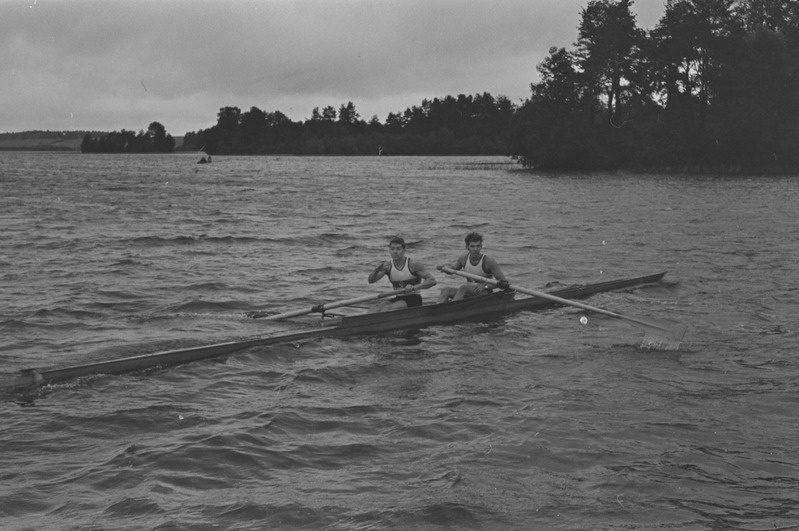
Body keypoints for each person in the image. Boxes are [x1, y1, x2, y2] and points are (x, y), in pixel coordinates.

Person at [436, 231, 510, 303]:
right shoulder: (463, 258)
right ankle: (437, 310)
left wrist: (485, 286)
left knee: (463, 288)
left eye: (478, 246)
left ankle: (451, 310)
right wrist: (444, 268)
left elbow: (503, 282)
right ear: (467, 247)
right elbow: (453, 270)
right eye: (472, 246)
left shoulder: (488, 261)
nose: (475, 249)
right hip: (468, 293)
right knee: (446, 290)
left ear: (481, 246)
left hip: (483, 293)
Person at [368, 236, 437, 312]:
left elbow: (432, 281)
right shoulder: (387, 266)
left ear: (404, 250)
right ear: (389, 250)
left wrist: (414, 287)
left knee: (387, 309)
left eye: (398, 249)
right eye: (392, 249)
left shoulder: (413, 264)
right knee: (375, 308)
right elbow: (371, 281)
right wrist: (376, 270)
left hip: (414, 299)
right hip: (398, 298)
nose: (395, 252)